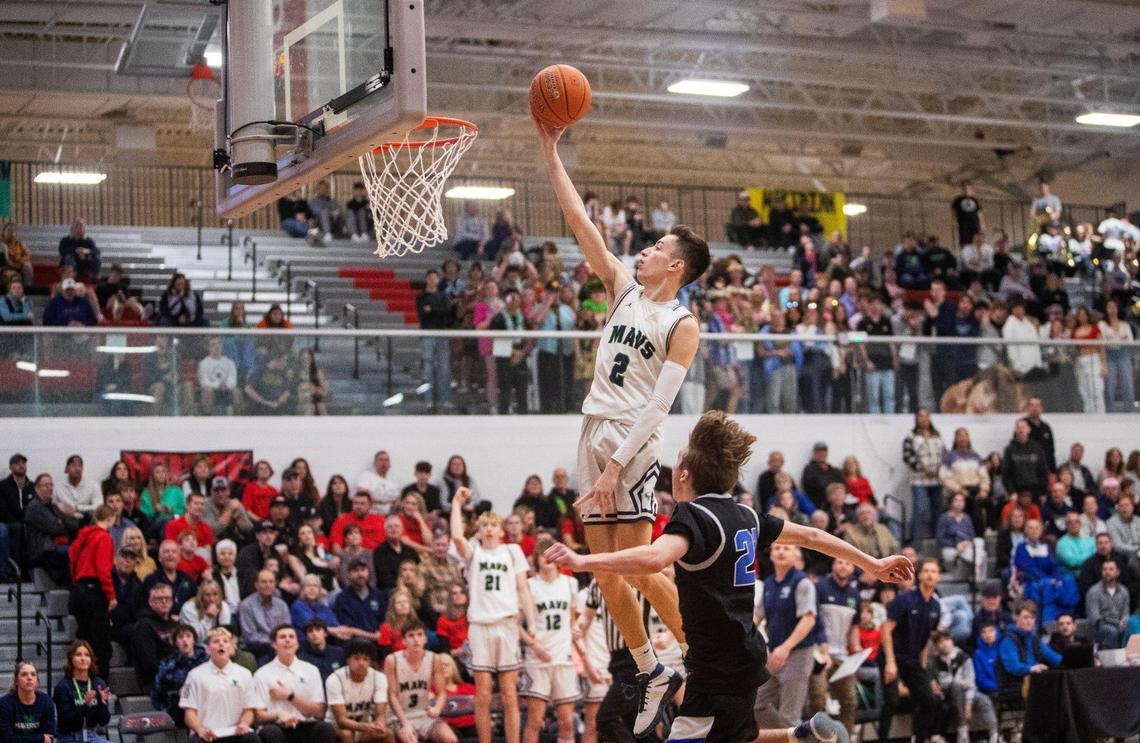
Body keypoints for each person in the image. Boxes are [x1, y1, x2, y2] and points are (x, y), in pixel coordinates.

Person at [546, 411, 911, 743]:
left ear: (684, 476)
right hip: (746, 654)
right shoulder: (746, 515)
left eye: (677, 462)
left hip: (715, 665)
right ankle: (802, 735)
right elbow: (812, 536)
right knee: (732, 735)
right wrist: (873, 563)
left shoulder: (693, 516)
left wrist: (584, 561)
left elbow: (655, 557)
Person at [537, 115, 710, 735]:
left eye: (658, 247)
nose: (646, 249)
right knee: (603, 565)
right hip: (593, 430)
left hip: (632, 446)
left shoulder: (681, 324)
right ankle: (649, 667)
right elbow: (580, 221)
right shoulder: (619, 288)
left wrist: (616, 466)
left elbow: (659, 407)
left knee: (637, 562)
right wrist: (549, 150)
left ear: (677, 267)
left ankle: (697, 648)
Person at [449, 488, 538, 743]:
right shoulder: (474, 553)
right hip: (480, 626)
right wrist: (456, 502)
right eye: (484, 525)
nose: (489, 529)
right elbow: (456, 536)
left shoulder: (512, 551)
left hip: (507, 625)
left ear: (502, 530)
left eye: (493, 525)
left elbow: (523, 587)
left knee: (510, 694)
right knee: (484, 695)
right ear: (479, 529)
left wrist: (531, 621)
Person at [521, 534, 579, 743]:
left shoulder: (571, 584)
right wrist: (534, 645)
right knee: (535, 721)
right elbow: (516, 624)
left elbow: (573, 622)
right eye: (541, 554)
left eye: (551, 554)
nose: (546, 558)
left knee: (567, 722)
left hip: (563, 658)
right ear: (535, 559)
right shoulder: (529, 585)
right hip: (537, 658)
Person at [252, 624, 338, 743]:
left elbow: (319, 711)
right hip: (276, 726)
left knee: (325, 728)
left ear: (297, 644)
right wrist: (279, 715)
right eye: (282, 637)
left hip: (305, 724)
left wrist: (290, 697)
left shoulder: (311, 670)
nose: (287, 640)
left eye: (291, 637)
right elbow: (258, 715)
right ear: (274, 644)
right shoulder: (261, 674)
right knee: (269, 732)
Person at [177, 627, 258, 743]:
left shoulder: (245, 674)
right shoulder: (193, 675)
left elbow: (249, 709)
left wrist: (244, 724)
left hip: (235, 733)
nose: (221, 644)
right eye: (215, 641)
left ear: (231, 648)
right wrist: (200, 730)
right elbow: (189, 713)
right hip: (207, 735)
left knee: (251, 738)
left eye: (225, 641)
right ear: (208, 649)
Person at [384, 620, 456, 743]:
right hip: (398, 716)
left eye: (419, 635)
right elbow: (391, 696)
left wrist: (437, 709)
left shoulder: (434, 659)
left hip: (424, 714)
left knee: (450, 739)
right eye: (411, 636)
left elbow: (442, 692)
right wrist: (405, 723)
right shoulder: (392, 660)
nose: (416, 639)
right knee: (410, 740)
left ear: (425, 639)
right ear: (404, 641)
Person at [68, 504, 117, 677]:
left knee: (83, 639)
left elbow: (72, 557)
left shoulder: (83, 536)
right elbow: (103, 570)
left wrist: (76, 583)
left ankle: (80, 680)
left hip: (79, 589)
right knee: (101, 645)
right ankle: (101, 684)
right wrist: (111, 596)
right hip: (94, 592)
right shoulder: (104, 538)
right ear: (111, 518)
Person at [926, 630, 998, 743]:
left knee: (984, 699)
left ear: (952, 641)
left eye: (947, 640)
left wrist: (969, 703)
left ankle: (994, 735)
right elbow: (942, 683)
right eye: (940, 642)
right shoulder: (934, 662)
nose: (944, 644)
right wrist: (959, 682)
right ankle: (962, 731)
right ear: (936, 646)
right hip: (947, 695)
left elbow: (971, 682)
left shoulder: (964, 657)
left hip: (967, 694)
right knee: (955, 686)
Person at [325, 640, 391, 743]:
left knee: (388, 734)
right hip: (337, 727)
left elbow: (380, 714)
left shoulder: (379, 677)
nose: (361, 663)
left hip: (365, 726)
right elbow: (341, 720)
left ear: (370, 662)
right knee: (347, 734)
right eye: (356, 658)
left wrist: (380, 726)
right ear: (348, 660)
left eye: (365, 659)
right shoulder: (334, 679)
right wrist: (363, 727)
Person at [25, 472, 81, 585]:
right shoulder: (34, 507)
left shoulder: (54, 506)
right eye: (46, 485)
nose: (50, 488)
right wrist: (62, 520)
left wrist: (63, 519)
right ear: (37, 488)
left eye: (51, 485)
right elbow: (55, 528)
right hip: (43, 550)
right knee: (75, 552)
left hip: (57, 547)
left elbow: (75, 527)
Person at [52, 640, 112, 743]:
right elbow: (66, 722)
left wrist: (103, 703)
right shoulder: (63, 687)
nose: (83, 658)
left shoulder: (98, 683)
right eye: (78, 655)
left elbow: (103, 721)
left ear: (91, 659)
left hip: (92, 735)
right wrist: (85, 705)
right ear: (71, 659)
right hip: (69, 738)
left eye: (87, 655)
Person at [997, 601, 1060, 694]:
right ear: (1016, 617)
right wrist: (1031, 668)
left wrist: (1066, 661)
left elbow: (1050, 655)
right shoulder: (1008, 640)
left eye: (1032, 618)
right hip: (1017, 683)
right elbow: (1013, 667)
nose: (1029, 621)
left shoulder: (1033, 637)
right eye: (1025, 617)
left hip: (1034, 680)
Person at [416, 269, 455, 410]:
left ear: (438, 280)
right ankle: (428, 401)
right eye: (430, 277)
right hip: (427, 334)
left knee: (443, 368)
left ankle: (444, 400)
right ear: (427, 279)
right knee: (428, 368)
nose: (432, 280)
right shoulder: (421, 297)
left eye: (435, 278)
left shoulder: (443, 295)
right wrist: (436, 311)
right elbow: (422, 314)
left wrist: (431, 310)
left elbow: (447, 313)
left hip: (441, 334)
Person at [133, 582, 181, 695]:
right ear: (150, 602)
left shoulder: (175, 625)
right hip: (155, 681)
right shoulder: (144, 626)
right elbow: (149, 664)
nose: (164, 601)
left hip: (176, 676)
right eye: (159, 598)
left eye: (167, 598)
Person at [240, 570, 292, 664]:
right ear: (256, 585)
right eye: (264, 582)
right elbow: (250, 637)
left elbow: (287, 629)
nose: (268, 585)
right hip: (258, 649)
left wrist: (279, 642)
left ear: (275, 584)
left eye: (271, 582)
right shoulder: (247, 605)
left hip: (280, 645)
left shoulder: (281, 605)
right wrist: (274, 642)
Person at [0, 661, 56, 742]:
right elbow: (7, 739)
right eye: (24, 674)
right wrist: (40, 738)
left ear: (37, 681)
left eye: (33, 674)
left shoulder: (46, 702)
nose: (29, 678)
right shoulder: (5, 704)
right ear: (16, 681)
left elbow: (49, 738)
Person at [1085, 557, 1130, 650]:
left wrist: (1124, 623)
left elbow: (1125, 613)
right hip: (1099, 628)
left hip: (1119, 625)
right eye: (1104, 569)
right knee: (1111, 631)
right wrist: (1117, 623)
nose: (1107, 572)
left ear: (1117, 572)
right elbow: (1095, 618)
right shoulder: (1094, 591)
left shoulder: (1124, 591)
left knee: (1132, 629)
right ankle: (1110, 661)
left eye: (1111, 569)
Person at [199, 337, 240, 415]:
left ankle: (238, 421)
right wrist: (218, 385)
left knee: (237, 392)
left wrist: (227, 385)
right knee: (207, 393)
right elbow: (204, 381)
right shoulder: (203, 363)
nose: (217, 346)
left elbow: (233, 379)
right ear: (209, 348)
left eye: (219, 344)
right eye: (213, 345)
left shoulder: (229, 362)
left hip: (227, 390)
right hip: (212, 390)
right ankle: (207, 419)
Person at [356, 451, 401, 518]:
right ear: (374, 463)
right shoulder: (366, 476)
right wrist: (384, 501)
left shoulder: (394, 482)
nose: (384, 463)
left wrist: (397, 504)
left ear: (390, 464)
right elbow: (363, 496)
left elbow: (396, 501)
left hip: (388, 517)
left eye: (387, 460)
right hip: (370, 515)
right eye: (381, 460)